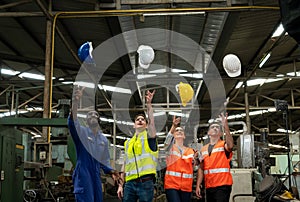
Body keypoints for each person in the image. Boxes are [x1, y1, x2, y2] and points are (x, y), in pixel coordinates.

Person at [68, 87, 122, 202]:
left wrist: (111, 171)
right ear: (87, 121)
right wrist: (75, 103)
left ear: (99, 120)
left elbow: (105, 160)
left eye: (95, 116)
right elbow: (73, 123)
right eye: (90, 116)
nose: (93, 117)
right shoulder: (82, 133)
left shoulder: (103, 140)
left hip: (96, 174)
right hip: (83, 172)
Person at [117, 90, 158, 202]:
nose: (140, 120)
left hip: (145, 182)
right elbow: (124, 165)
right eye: (137, 120)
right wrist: (120, 185)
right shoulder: (128, 143)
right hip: (129, 183)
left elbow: (152, 122)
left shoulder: (149, 137)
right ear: (134, 125)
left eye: (143, 120)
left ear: (146, 125)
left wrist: (149, 105)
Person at [195, 113, 234, 202]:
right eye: (213, 127)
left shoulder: (223, 145)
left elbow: (230, 145)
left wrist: (225, 126)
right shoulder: (203, 149)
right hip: (209, 186)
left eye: (217, 127)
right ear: (209, 133)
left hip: (222, 185)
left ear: (220, 133)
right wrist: (198, 185)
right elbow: (201, 168)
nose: (215, 128)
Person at [164, 115, 198, 202]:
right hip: (172, 185)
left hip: (186, 187)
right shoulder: (170, 148)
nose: (179, 131)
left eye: (181, 131)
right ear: (174, 135)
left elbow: (195, 166)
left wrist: (196, 161)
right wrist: (174, 126)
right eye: (177, 131)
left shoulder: (191, 151)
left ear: (184, 136)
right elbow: (167, 142)